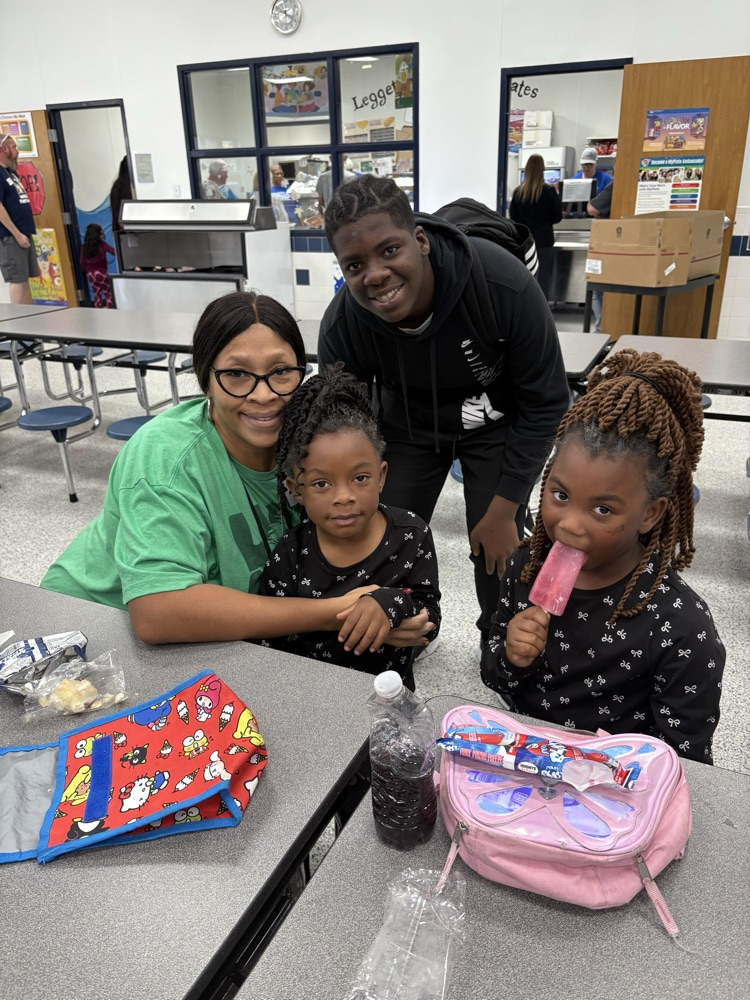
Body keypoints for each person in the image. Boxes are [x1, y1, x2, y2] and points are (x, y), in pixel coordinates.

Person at [41, 290, 435, 651]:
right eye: (236, 374)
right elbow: (157, 612)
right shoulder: (167, 457)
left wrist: (385, 614)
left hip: (218, 634)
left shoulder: (304, 444)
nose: (263, 394)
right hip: (96, 627)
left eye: (282, 371)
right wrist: (340, 613)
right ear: (205, 380)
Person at [317, 174, 569, 650]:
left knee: (498, 546)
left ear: (420, 240)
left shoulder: (500, 285)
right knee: (380, 535)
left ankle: (502, 644)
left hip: (495, 421)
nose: (374, 275)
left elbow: (547, 401)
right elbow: (341, 423)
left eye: (389, 251)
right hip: (409, 425)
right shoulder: (345, 323)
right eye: (354, 264)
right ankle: (403, 625)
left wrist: (505, 505)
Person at [480, 348, 725, 764]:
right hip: (526, 763)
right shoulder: (527, 568)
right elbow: (494, 674)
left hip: (615, 790)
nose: (570, 525)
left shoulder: (681, 627)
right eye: (560, 495)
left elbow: (686, 762)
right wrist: (510, 657)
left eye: (603, 509)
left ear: (651, 513)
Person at [258, 363, 441, 689]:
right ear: (296, 489)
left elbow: (430, 621)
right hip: (310, 696)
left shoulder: (412, 535)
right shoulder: (291, 553)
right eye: (321, 484)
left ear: (381, 476)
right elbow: (270, 635)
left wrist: (390, 603)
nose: (344, 497)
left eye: (360, 478)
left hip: (389, 699)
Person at [509, 154, 562, 300]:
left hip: (524, 242)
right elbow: (557, 217)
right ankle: (541, 314)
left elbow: (513, 218)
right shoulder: (549, 191)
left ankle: (522, 310)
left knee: (524, 277)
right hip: (544, 242)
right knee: (542, 278)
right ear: (542, 170)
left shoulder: (518, 192)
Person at [0, 133, 39, 305]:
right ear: (4, 149)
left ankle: (27, 318)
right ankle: (17, 323)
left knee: (25, 278)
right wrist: (16, 234)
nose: (18, 151)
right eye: (14, 147)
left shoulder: (10, 173)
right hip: (11, 236)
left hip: (24, 233)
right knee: (17, 279)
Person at [586, 167, 615, 332]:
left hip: (605, 242)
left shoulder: (613, 185)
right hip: (615, 243)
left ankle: (600, 329)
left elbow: (592, 208)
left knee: (597, 288)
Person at [80, 223, 115, 308]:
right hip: (101, 273)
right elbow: (114, 252)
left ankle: (97, 312)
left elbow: (82, 262)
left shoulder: (84, 247)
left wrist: (87, 271)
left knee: (97, 294)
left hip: (90, 275)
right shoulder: (102, 244)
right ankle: (112, 312)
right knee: (108, 293)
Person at [110, 156, 133, 235]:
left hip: (121, 232)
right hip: (131, 229)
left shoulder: (116, 186)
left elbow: (115, 213)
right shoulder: (132, 188)